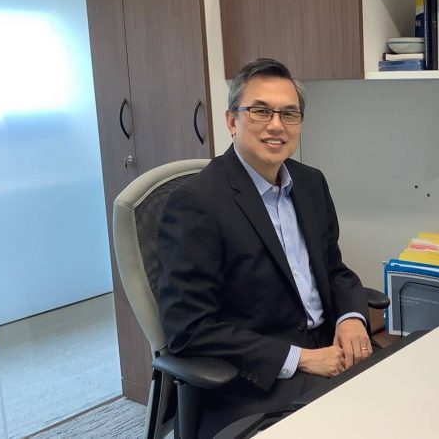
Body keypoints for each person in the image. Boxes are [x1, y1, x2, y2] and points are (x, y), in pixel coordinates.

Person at [157, 58, 372, 438]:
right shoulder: (196, 202)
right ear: (231, 121)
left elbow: (334, 269)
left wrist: (351, 317)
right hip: (254, 383)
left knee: (411, 388)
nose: (276, 125)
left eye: (289, 114)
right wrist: (300, 359)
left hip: (330, 351)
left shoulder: (310, 183)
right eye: (260, 111)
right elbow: (189, 328)